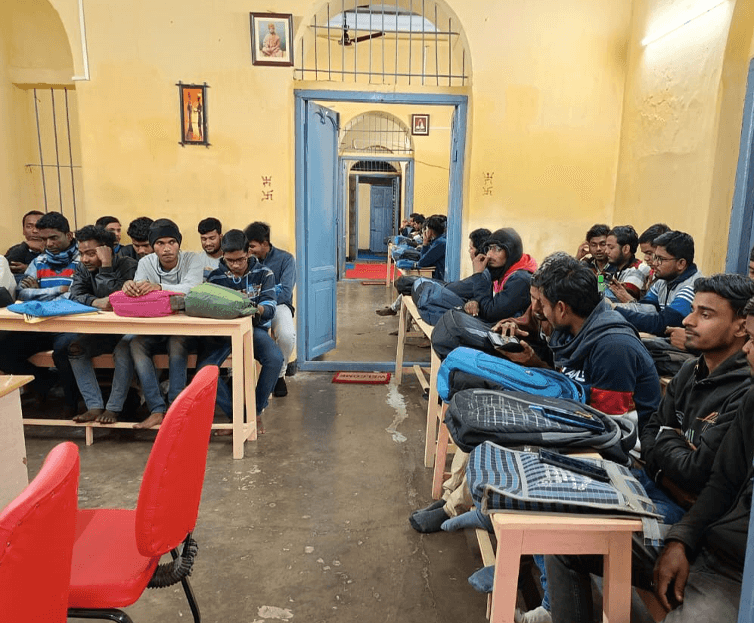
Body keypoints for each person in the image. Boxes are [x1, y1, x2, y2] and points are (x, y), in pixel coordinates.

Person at [410, 255, 661, 535]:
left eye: (541, 303)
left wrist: (534, 412)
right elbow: (568, 384)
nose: (537, 310)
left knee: (503, 430)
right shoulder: (574, 331)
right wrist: (534, 366)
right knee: (487, 411)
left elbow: (610, 421)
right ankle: (452, 495)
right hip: (580, 417)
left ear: (562, 308)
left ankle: (458, 506)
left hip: (617, 443)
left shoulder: (613, 347)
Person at [545, 296, 754, 622]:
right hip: (702, 537)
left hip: (733, 569)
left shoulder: (740, 392)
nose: (747, 349)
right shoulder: (706, 378)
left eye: (705, 314)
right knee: (563, 534)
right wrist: (681, 540)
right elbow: (716, 481)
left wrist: (667, 445)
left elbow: (696, 472)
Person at [199, 230, 284, 433]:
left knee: (275, 359)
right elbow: (206, 307)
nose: (236, 265)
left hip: (253, 329)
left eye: (240, 259)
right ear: (223, 256)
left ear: (248, 253)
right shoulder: (214, 277)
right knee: (205, 368)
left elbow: (270, 308)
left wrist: (256, 308)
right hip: (222, 333)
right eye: (230, 260)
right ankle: (236, 416)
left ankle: (255, 411)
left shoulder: (264, 274)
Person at [123, 218, 204, 429]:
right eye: (160, 243)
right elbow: (140, 292)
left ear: (179, 243)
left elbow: (193, 288)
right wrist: (130, 287)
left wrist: (158, 287)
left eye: (172, 242)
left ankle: (176, 407)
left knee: (177, 342)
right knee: (135, 344)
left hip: (185, 329)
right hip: (155, 326)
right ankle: (157, 409)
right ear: (153, 246)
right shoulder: (145, 263)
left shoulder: (192, 259)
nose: (167, 248)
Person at [0, 211, 81, 412]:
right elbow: (22, 293)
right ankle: (44, 380)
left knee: (64, 351)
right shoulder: (39, 261)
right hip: (41, 324)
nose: (48, 244)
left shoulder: (82, 259)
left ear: (68, 235)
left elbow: (74, 295)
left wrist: (40, 291)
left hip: (72, 324)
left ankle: (72, 405)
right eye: (44, 239)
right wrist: (58, 289)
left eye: (54, 238)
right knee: (4, 349)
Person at [66, 225, 138, 424]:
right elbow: (74, 295)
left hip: (129, 331)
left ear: (107, 249)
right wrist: (94, 301)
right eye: (81, 253)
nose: (84, 259)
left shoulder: (128, 265)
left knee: (124, 349)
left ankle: (113, 408)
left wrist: (106, 265)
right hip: (101, 331)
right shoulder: (82, 268)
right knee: (75, 348)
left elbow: (117, 299)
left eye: (90, 253)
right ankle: (94, 406)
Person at [615, 230, 703, 336]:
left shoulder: (692, 287)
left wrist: (615, 310)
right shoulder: (663, 281)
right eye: (655, 257)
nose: (655, 263)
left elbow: (663, 324)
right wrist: (613, 307)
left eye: (661, 259)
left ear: (681, 263)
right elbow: (646, 308)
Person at [244, 221, 297, 396]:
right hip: (252, 307)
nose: (249, 250)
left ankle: (279, 374)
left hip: (279, 305)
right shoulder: (245, 260)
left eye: (252, 246)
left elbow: (286, 292)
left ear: (265, 244)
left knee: (287, 335)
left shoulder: (286, 259)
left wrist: (264, 302)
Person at [463, 227, 537, 323]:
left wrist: (478, 275)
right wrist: (474, 302)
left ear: (511, 252)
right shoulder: (501, 272)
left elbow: (489, 313)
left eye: (497, 249)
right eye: (489, 248)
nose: (489, 254)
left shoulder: (520, 280)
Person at [604, 225, 647, 302]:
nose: (606, 251)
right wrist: (600, 279)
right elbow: (600, 288)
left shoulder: (637, 270)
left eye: (611, 248)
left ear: (626, 249)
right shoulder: (613, 268)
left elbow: (617, 300)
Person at [5, 209, 44, 279]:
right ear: (23, 230)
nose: (34, 231)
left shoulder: (56, 249)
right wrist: (25, 245)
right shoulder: (17, 249)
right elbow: (5, 268)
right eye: (29, 227)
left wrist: (28, 269)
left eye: (39, 227)